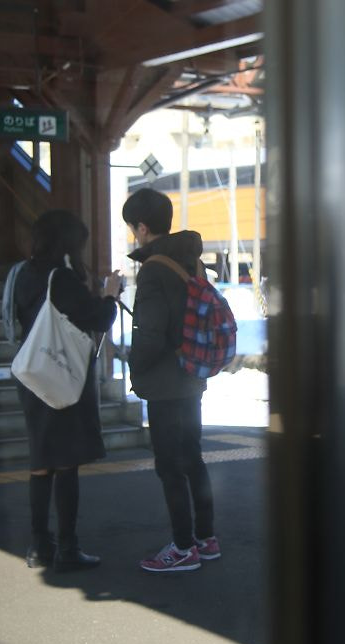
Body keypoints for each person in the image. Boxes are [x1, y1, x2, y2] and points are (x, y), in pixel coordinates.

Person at [14, 209, 122, 571]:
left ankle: (38, 546)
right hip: (61, 375)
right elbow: (98, 318)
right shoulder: (61, 278)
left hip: (32, 375)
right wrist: (109, 294)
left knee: (40, 462)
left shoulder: (22, 274)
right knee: (65, 463)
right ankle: (68, 547)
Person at [122, 188, 220, 573]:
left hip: (164, 383)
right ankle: (206, 537)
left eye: (132, 228)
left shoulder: (154, 270)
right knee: (192, 457)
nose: (134, 235)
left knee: (169, 465)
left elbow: (150, 333)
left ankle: (182, 547)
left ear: (142, 227)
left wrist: (135, 366)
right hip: (193, 375)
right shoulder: (192, 262)